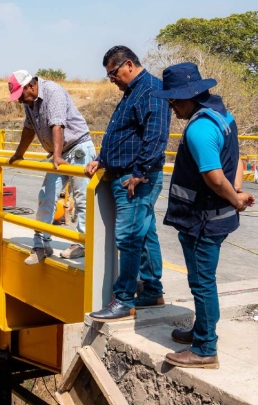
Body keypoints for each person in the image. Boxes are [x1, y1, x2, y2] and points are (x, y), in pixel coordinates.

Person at [149, 62, 255, 369]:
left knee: (202, 282)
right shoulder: (223, 115)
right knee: (203, 280)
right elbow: (236, 161)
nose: (172, 107)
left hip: (203, 220)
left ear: (188, 97)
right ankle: (201, 330)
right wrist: (238, 193)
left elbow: (213, 177)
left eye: (173, 101)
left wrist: (234, 197)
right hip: (216, 215)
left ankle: (205, 348)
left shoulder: (199, 128)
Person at [85, 46, 171, 321]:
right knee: (144, 235)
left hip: (136, 179)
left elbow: (156, 135)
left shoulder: (151, 90)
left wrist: (139, 172)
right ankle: (151, 291)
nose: (112, 79)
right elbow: (123, 133)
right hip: (126, 173)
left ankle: (123, 299)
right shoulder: (134, 91)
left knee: (129, 237)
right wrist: (102, 158)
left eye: (113, 73)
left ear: (129, 65)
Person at [8, 70, 96, 264]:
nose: (20, 101)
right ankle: (41, 244)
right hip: (60, 152)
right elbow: (29, 129)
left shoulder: (52, 92)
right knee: (46, 195)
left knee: (82, 198)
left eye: (20, 95)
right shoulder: (30, 102)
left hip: (78, 147)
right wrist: (18, 154)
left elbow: (58, 125)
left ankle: (83, 243)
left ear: (31, 86)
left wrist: (56, 155)